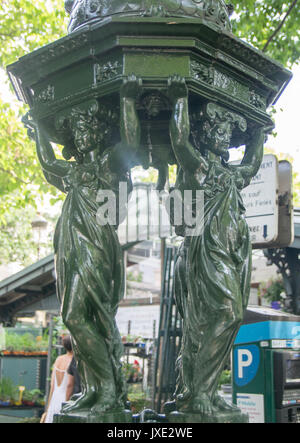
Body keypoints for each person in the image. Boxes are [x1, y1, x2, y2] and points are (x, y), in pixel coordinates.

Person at [25, 75, 143, 415]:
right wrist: (37, 131)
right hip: (73, 248)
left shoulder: (110, 166)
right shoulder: (74, 174)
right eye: (76, 131)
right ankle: (95, 389)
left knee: (78, 315)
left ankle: (106, 388)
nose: (81, 134)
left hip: (96, 247)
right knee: (79, 316)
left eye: (86, 128)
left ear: (98, 132)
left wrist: (128, 100)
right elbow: (49, 164)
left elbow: (132, 142)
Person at [167, 75, 264, 415]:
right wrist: (179, 99)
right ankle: (198, 393)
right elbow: (179, 142)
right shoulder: (200, 168)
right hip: (209, 251)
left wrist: (259, 133)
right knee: (227, 312)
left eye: (226, 132)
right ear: (205, 133)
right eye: (216, 131)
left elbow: (251, 163)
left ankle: (203, 391)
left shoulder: (229, 175)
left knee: (227, 319)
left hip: (235, 251)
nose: (223, 136)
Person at [42, 335, 73, 423]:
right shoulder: (73, 361)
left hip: (54, 398)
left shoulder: (58, 359)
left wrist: (47, 408)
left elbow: (52, 385)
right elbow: (69, 385)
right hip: (65, 399)